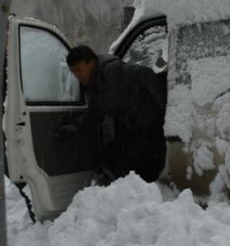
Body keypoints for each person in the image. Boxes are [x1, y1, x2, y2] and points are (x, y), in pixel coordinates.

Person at [66, 45, 167, 183]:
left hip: (153, 126)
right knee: (108, 158)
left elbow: (145, 74)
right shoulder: (95, 86)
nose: (77, 75)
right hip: (135, 128)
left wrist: (166, 109)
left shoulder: (112, 72)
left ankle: (141, 197)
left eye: (79, 69)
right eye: (73, 72)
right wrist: (73, 127)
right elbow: (94, 115)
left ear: (92, 63)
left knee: (125, 169)